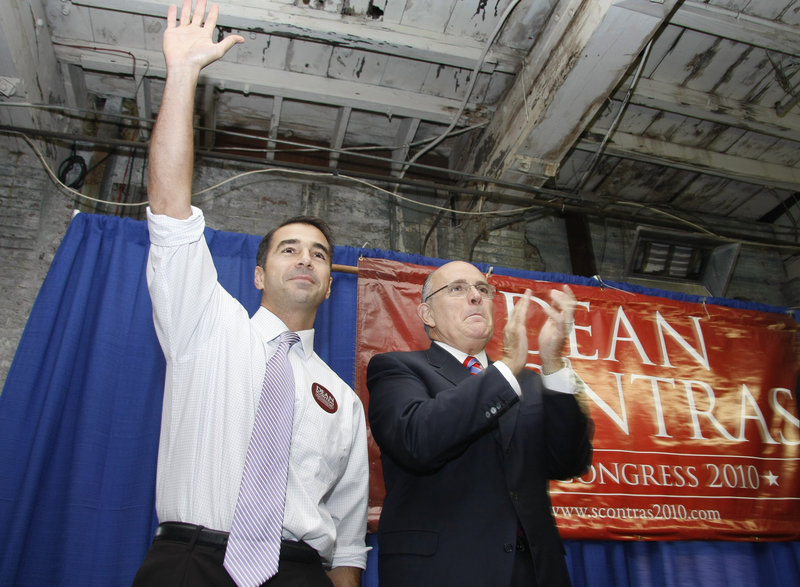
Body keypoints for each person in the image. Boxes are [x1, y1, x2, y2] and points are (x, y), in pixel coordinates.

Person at [133, 2, 369, 586]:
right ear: (259, 274)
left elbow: (349, 538)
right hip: (190, 561)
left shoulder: (343, 400)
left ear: (330, 285)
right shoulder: (207, 325)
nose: (306, 258)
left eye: (318, 253)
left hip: (296, 570)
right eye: (288, 248)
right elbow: (168, 212)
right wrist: (184, 72)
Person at [366, 261, 593, 586]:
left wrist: (552, 363)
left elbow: (570, 461)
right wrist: (508, 367)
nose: (475, 297)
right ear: (427, 314)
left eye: (483, 289)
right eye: (457, 288)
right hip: (444, 572)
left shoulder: (528, 383)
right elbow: (417, 441)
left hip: (536, 573)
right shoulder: (397, 369)